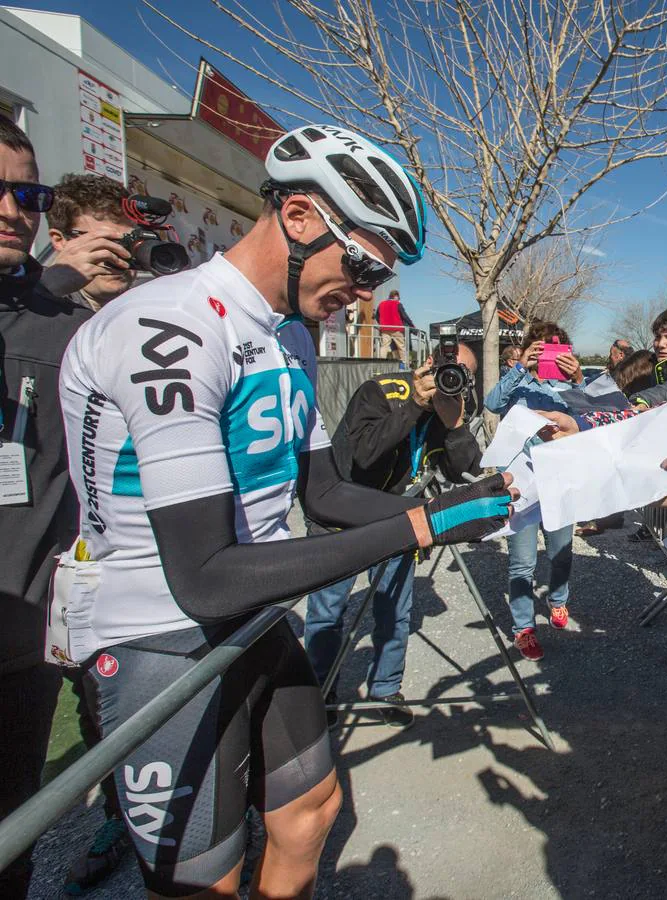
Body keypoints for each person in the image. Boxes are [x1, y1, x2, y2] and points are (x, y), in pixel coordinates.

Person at [58, 123, 514, 898]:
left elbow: (325, 492)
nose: (367, 292)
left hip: (259, 613)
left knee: (310, 810)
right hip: (163, 635)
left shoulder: (289, 342)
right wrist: (423, 524)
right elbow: (203, 575)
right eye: (364, 264)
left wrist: (449, 503)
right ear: (300, 218)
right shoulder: (167, 326)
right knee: (206, 882)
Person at [42, 173, 153, 893]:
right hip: (50, 545)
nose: (118, 266)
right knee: (84, 705)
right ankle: (114, 807)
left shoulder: (154, 319)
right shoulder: (35, 313)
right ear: (62, 241)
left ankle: (152, 815)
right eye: (104, 251)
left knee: (139, 697)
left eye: (128, 250)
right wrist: (55, 286)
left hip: (137, 547)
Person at [0, 116, 92, 899]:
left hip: (24, 641)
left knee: (12, 836)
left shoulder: (68, 326)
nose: (9, 208)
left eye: (25, 191)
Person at [305, 343, 480, 729]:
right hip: (341, 516)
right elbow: (365, 455)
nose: (455, 380)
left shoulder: (451, 406)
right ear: (431, 363)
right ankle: (319, 692)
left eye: (464, 375)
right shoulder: (382, 390)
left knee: (395, 613)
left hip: (397, 518)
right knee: (327, 612)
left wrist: (455, 427)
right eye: (451, 369)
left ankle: (385, 689)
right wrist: (415, 405)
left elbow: (464, 469)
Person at [485, 320, 581, 661]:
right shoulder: (517, 382)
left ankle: (558, 600)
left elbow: (589, 418)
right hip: (521, 482)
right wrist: (519, 368)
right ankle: (523, 629)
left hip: (558, 479)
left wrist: (578, 381)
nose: (544, 356)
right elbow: (491, 403)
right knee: (521, 564)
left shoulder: (568, 386)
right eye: (537, 349)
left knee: (562, 553)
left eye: (551, 350)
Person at [42, 173, 137, 311]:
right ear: (60, 240)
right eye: (105, 243)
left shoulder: (151, 302)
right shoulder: (31, 308)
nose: (118, 256)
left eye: (128, 242)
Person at [376, 288, 415, 363]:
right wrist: (412, 325)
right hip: (397, 328)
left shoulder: (381, 304)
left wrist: (381, 324)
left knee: (384, 346)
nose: (398, 300)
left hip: (385, 329)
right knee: (401, 346)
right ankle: (404, 364)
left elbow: (377, 316)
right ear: (395, 296)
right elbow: (404, 316)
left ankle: (380, 363)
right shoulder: (397, 304)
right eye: (398, 298)